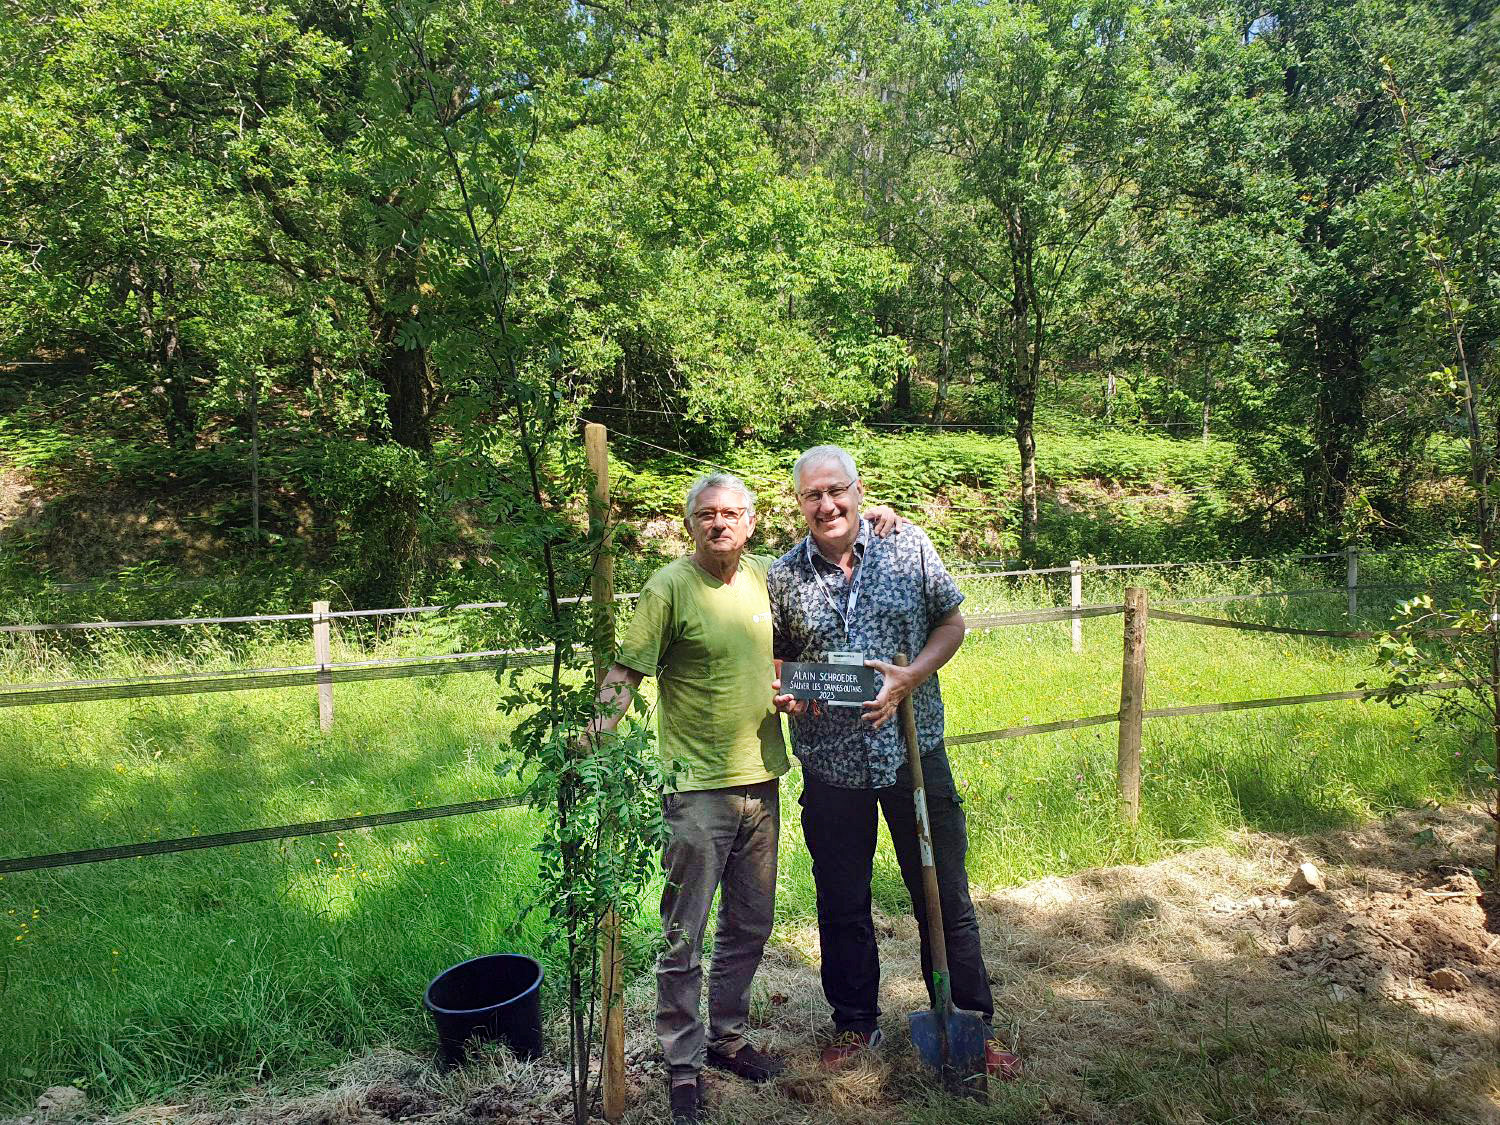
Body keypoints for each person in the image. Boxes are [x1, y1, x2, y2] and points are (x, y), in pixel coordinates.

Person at [586, 471, 903, 1124]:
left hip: (763, 778)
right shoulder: (670, 586)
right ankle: (681, 1058)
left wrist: (881, 528)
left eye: (732, 513)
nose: (720, 523)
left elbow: (835, 571)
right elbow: (625, 671)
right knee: (685, 931)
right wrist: (594, 738)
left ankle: (726, 1035)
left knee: (750, 924)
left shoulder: (768, 577)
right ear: (690, 524)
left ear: (752, 523)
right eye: (706, 514)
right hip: (696, 790)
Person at [767, 444, 1010, 1077]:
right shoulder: (784, 577)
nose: (828, 505)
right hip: (832, 766)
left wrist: (912, 677)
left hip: (915, 753)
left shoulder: (908, 547)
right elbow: (775, 660)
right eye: (812, 496)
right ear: (800, 505)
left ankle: (969, 1022)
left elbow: (951, 623)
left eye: (836, 490)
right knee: (842, 900)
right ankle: (854, 1025)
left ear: (859, 489)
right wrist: (792, 693)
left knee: (943, 893)